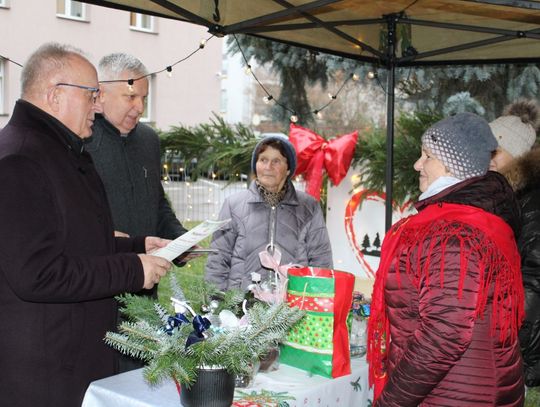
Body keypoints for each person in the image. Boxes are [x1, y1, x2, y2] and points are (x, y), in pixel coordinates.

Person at [0, 43, 172, 407]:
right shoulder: (19, 159)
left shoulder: (60, 148)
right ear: (55, 95)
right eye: (91, 95)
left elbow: (75, 240)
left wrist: (136, 246)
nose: (97, 106)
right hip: (44, 372)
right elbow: (37, 273)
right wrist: (131, 269)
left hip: (71, 358)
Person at [367, 112, 525, 406]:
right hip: (463, 389)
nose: (417, 164)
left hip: (456, 394)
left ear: (455, 165)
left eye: (427, 156)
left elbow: (443, 336)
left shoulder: (454, 235)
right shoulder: (471, 221)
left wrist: (389, 403)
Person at [86, 52, 192, 372]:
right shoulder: (83, 140)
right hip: (99, 292)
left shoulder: (148, 140)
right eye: (131, 96)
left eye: (144, 98)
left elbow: (157, 201)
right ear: (101, 94)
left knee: (141, 376)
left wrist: (180, 239)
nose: (140, 107)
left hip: (146, 291)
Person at [205, 134, 333, 290]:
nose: (268, 167)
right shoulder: (233, 205)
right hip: (240, 300)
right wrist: (216, 298)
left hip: (292, 301)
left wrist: (318, 296)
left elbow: (321, 260)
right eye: (263, 160)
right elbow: (218, 258)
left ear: (288, 169)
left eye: (276, 161)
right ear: (255, 165)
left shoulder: (308, 207)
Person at [489, 99, 540, 388]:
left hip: (523, 358)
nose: (488, 158)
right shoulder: (505, 196)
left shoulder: (530, 203)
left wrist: (514, 351)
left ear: (518, 154)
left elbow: (533, 281)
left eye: (495, 151)